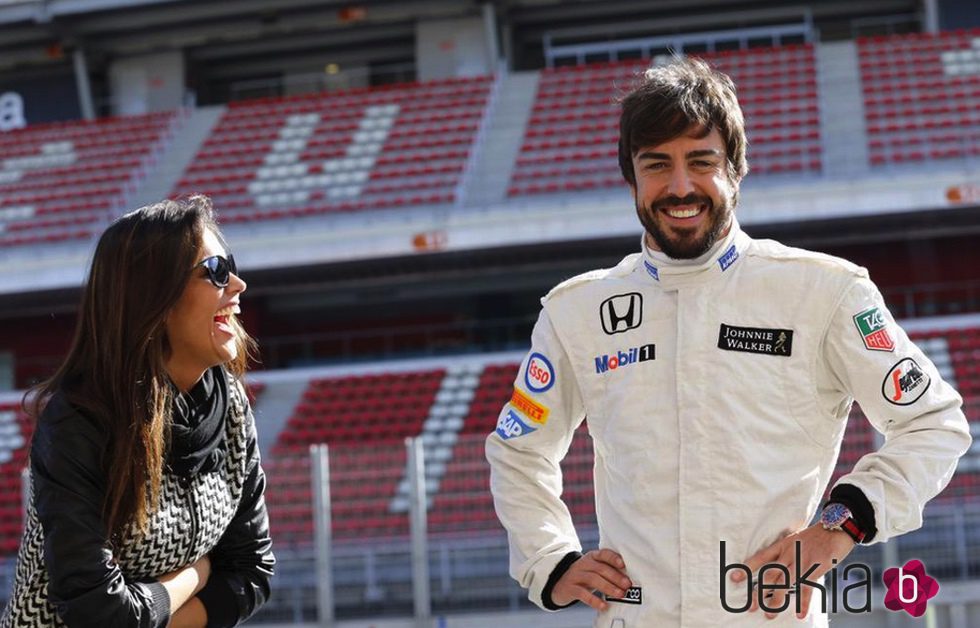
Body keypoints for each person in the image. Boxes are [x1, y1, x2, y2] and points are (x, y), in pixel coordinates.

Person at [485, 57, 971, 627]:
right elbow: (519, 449)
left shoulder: (825, 291)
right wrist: (551, 559)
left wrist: (840, 526)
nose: (680, 186)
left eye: (701, 161)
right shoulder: (576, 311)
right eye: (657, 164)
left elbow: (935, 424)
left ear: (736, 168)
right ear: (631, 176)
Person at [1, 196, 275, 627]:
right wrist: (197, 573)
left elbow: (252, 574)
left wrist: (154, 613)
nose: (238, 286)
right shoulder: (80, 421)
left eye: (232, 265)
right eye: (217, 271)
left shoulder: (232, 407)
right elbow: (101, 614)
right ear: (154, 298)